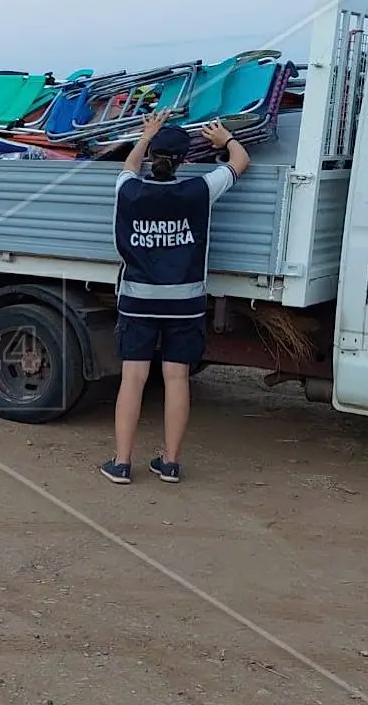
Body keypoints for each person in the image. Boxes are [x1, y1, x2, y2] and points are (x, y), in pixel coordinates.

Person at [101, 111, 250, 485]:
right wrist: (225, 139)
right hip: (184, 304)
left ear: (153, 157)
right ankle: (169, 464)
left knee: (133, 378)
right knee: (177, 378)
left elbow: (128, 168)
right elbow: (240, 162)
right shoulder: (199, 190)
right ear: (185, 160)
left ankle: (121, 463)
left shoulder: (129, 191)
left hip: (138, 301)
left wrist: (145, 135)